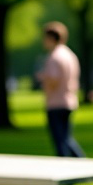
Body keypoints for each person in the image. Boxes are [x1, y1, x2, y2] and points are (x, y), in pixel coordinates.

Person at [37, 21, 85, 157]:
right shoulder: (70, 55)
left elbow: (53, 80)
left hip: (56, 102)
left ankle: (71, 167)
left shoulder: (54, 57)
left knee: (60, 142)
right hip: (69, 101)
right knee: (67, 139)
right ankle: (83, 164)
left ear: (51, 38)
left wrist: (43, 78)